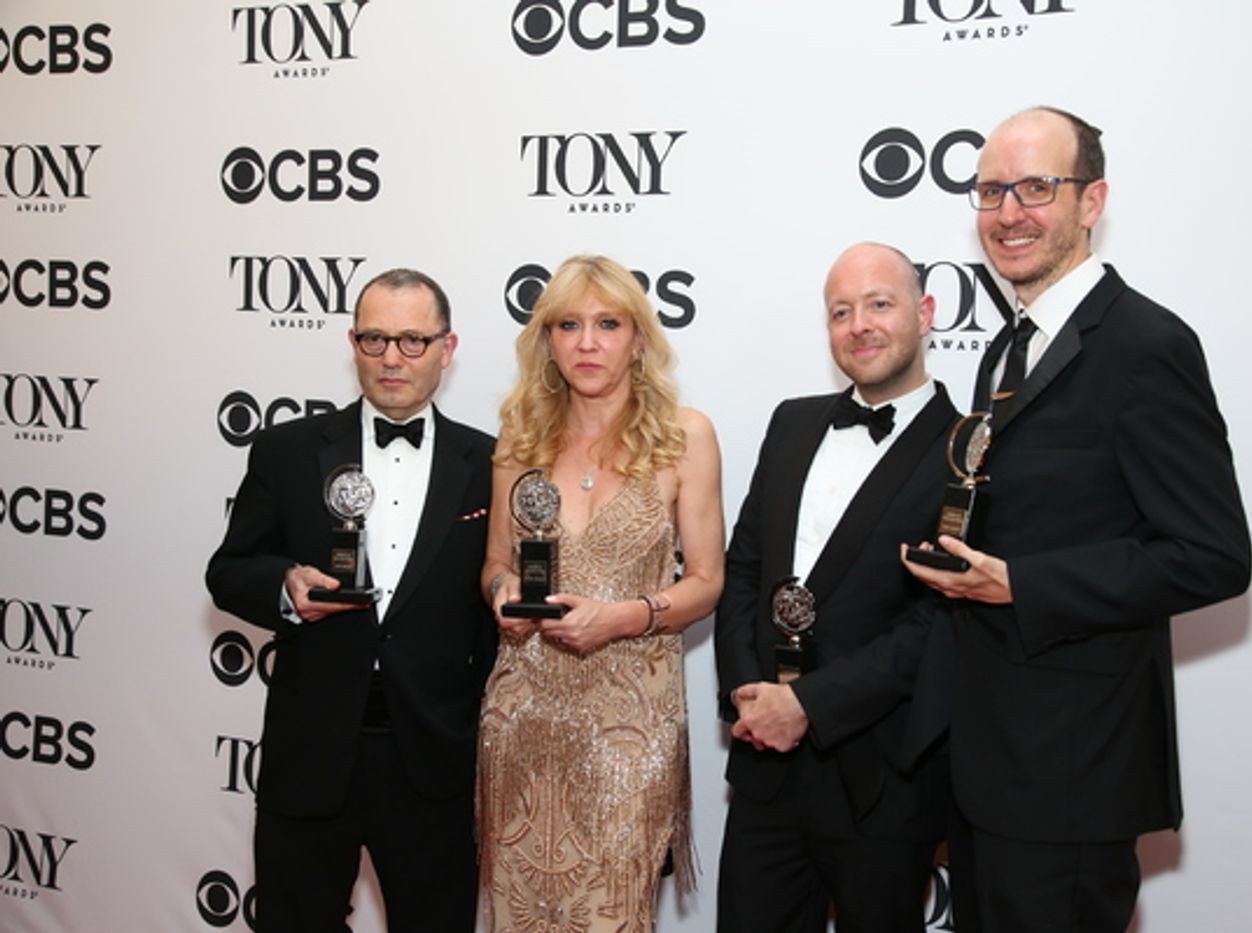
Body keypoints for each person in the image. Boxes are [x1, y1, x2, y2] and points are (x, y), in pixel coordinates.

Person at [901, 107, 1252, 933]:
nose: (1009, 211)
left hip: (1074, 770)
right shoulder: (1005, 344)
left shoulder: (1145, 345)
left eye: (1036, 187)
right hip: (987, 761)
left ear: (1091, 201)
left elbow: (1212, 555)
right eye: (991, 190)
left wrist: (1022, 583)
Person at [206, 268, 496, 932]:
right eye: (374, 338)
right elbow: (229, 569)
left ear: (447, 348)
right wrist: (284, 585)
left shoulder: (491, 462)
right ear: (352, 342)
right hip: (311, 750)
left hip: (435, 762)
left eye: (412, 341)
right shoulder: (286, 450)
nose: (392, 357)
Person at [714, 242, 960, 933]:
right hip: (766, 766)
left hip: (881, 778)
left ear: (926, 312)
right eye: (841, 311)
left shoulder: (969, 447)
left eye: (880, 304)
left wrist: (811, 705)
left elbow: (939, 620)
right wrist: (746, 691)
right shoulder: (792, 421)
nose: (860, 325)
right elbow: (743, 570)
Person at [477, 254, 724, 932]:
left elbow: (707, 581)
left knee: (611, 916)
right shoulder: (519, 436)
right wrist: (502, 592)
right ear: (547, 340)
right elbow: (496, 561)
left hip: (631, 726)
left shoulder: (686, 436)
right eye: (568, 324)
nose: (587, 342)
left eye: (608, 323)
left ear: (638, 337)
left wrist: (624, 616)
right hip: (523, 715)